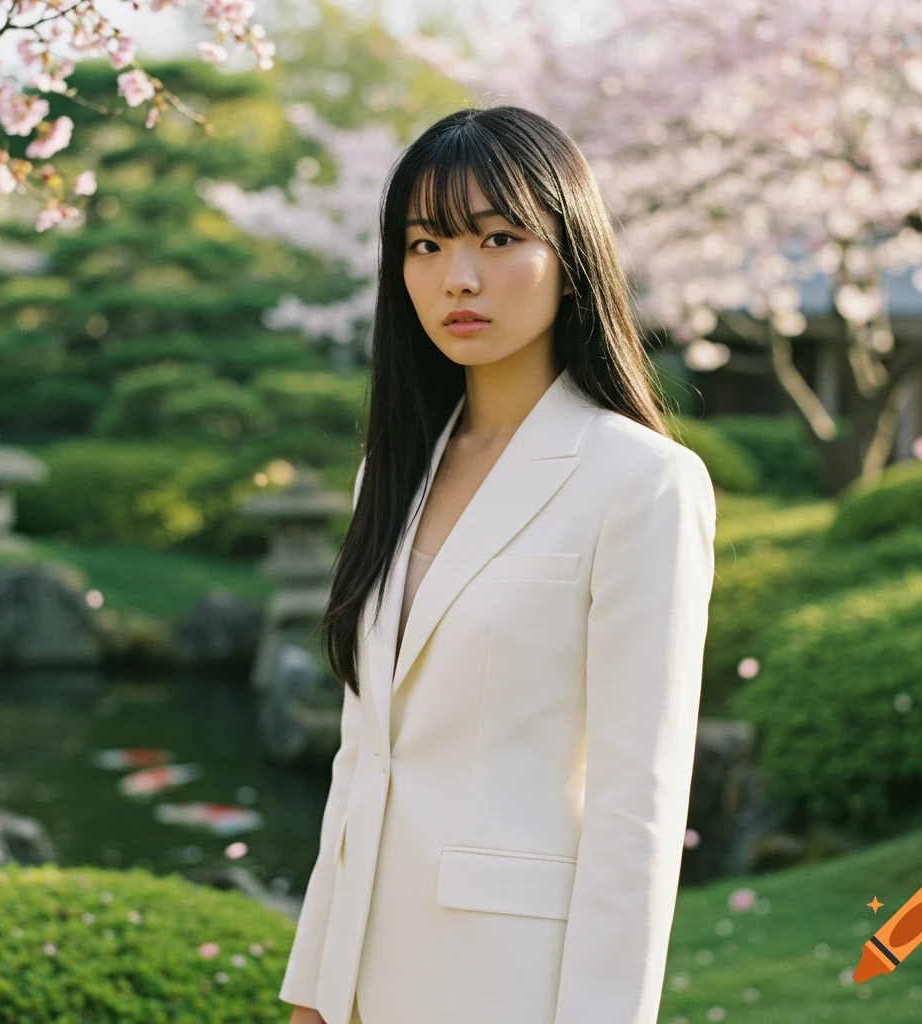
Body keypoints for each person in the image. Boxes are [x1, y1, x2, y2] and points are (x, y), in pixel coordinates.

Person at [280, 103, 717, 1024]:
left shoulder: (643, 483)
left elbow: (637, 807)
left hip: (511, 982)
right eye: (425, 245)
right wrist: (315, 987)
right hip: (360, 979)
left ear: (572, 257)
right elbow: (363, 761)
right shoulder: (391, 475)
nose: (457, 277)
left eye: (499, 236)